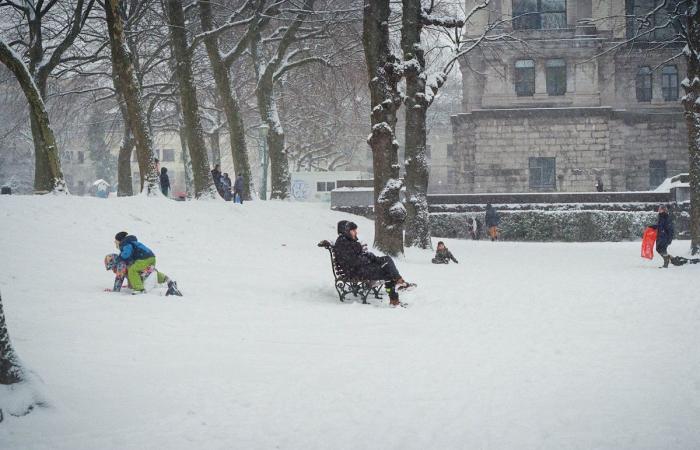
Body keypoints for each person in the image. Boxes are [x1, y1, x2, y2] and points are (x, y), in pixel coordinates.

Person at [334, 221, 415, 306]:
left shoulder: (348, 241)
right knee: (388, 273)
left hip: (362, 268)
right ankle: (396, 293)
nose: (356, 232)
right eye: (353, 230)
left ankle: (398, 286)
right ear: (346, 231)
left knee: (387, 260)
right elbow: (354, 261)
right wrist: (369, 258)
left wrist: (370, 257)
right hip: (357, 272)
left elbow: (359, 257)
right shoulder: (343, 244)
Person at [114, 231, 181, 295]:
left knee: (132, 270)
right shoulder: (131, 242)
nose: (115, 243)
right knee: (150, 272)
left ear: (120, 240)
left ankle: (139, 289)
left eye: (116, 241)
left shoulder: (125, 244)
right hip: (151, 258)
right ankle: (168, 281)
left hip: (144, 259)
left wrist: (119, 258)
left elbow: (126, 253)